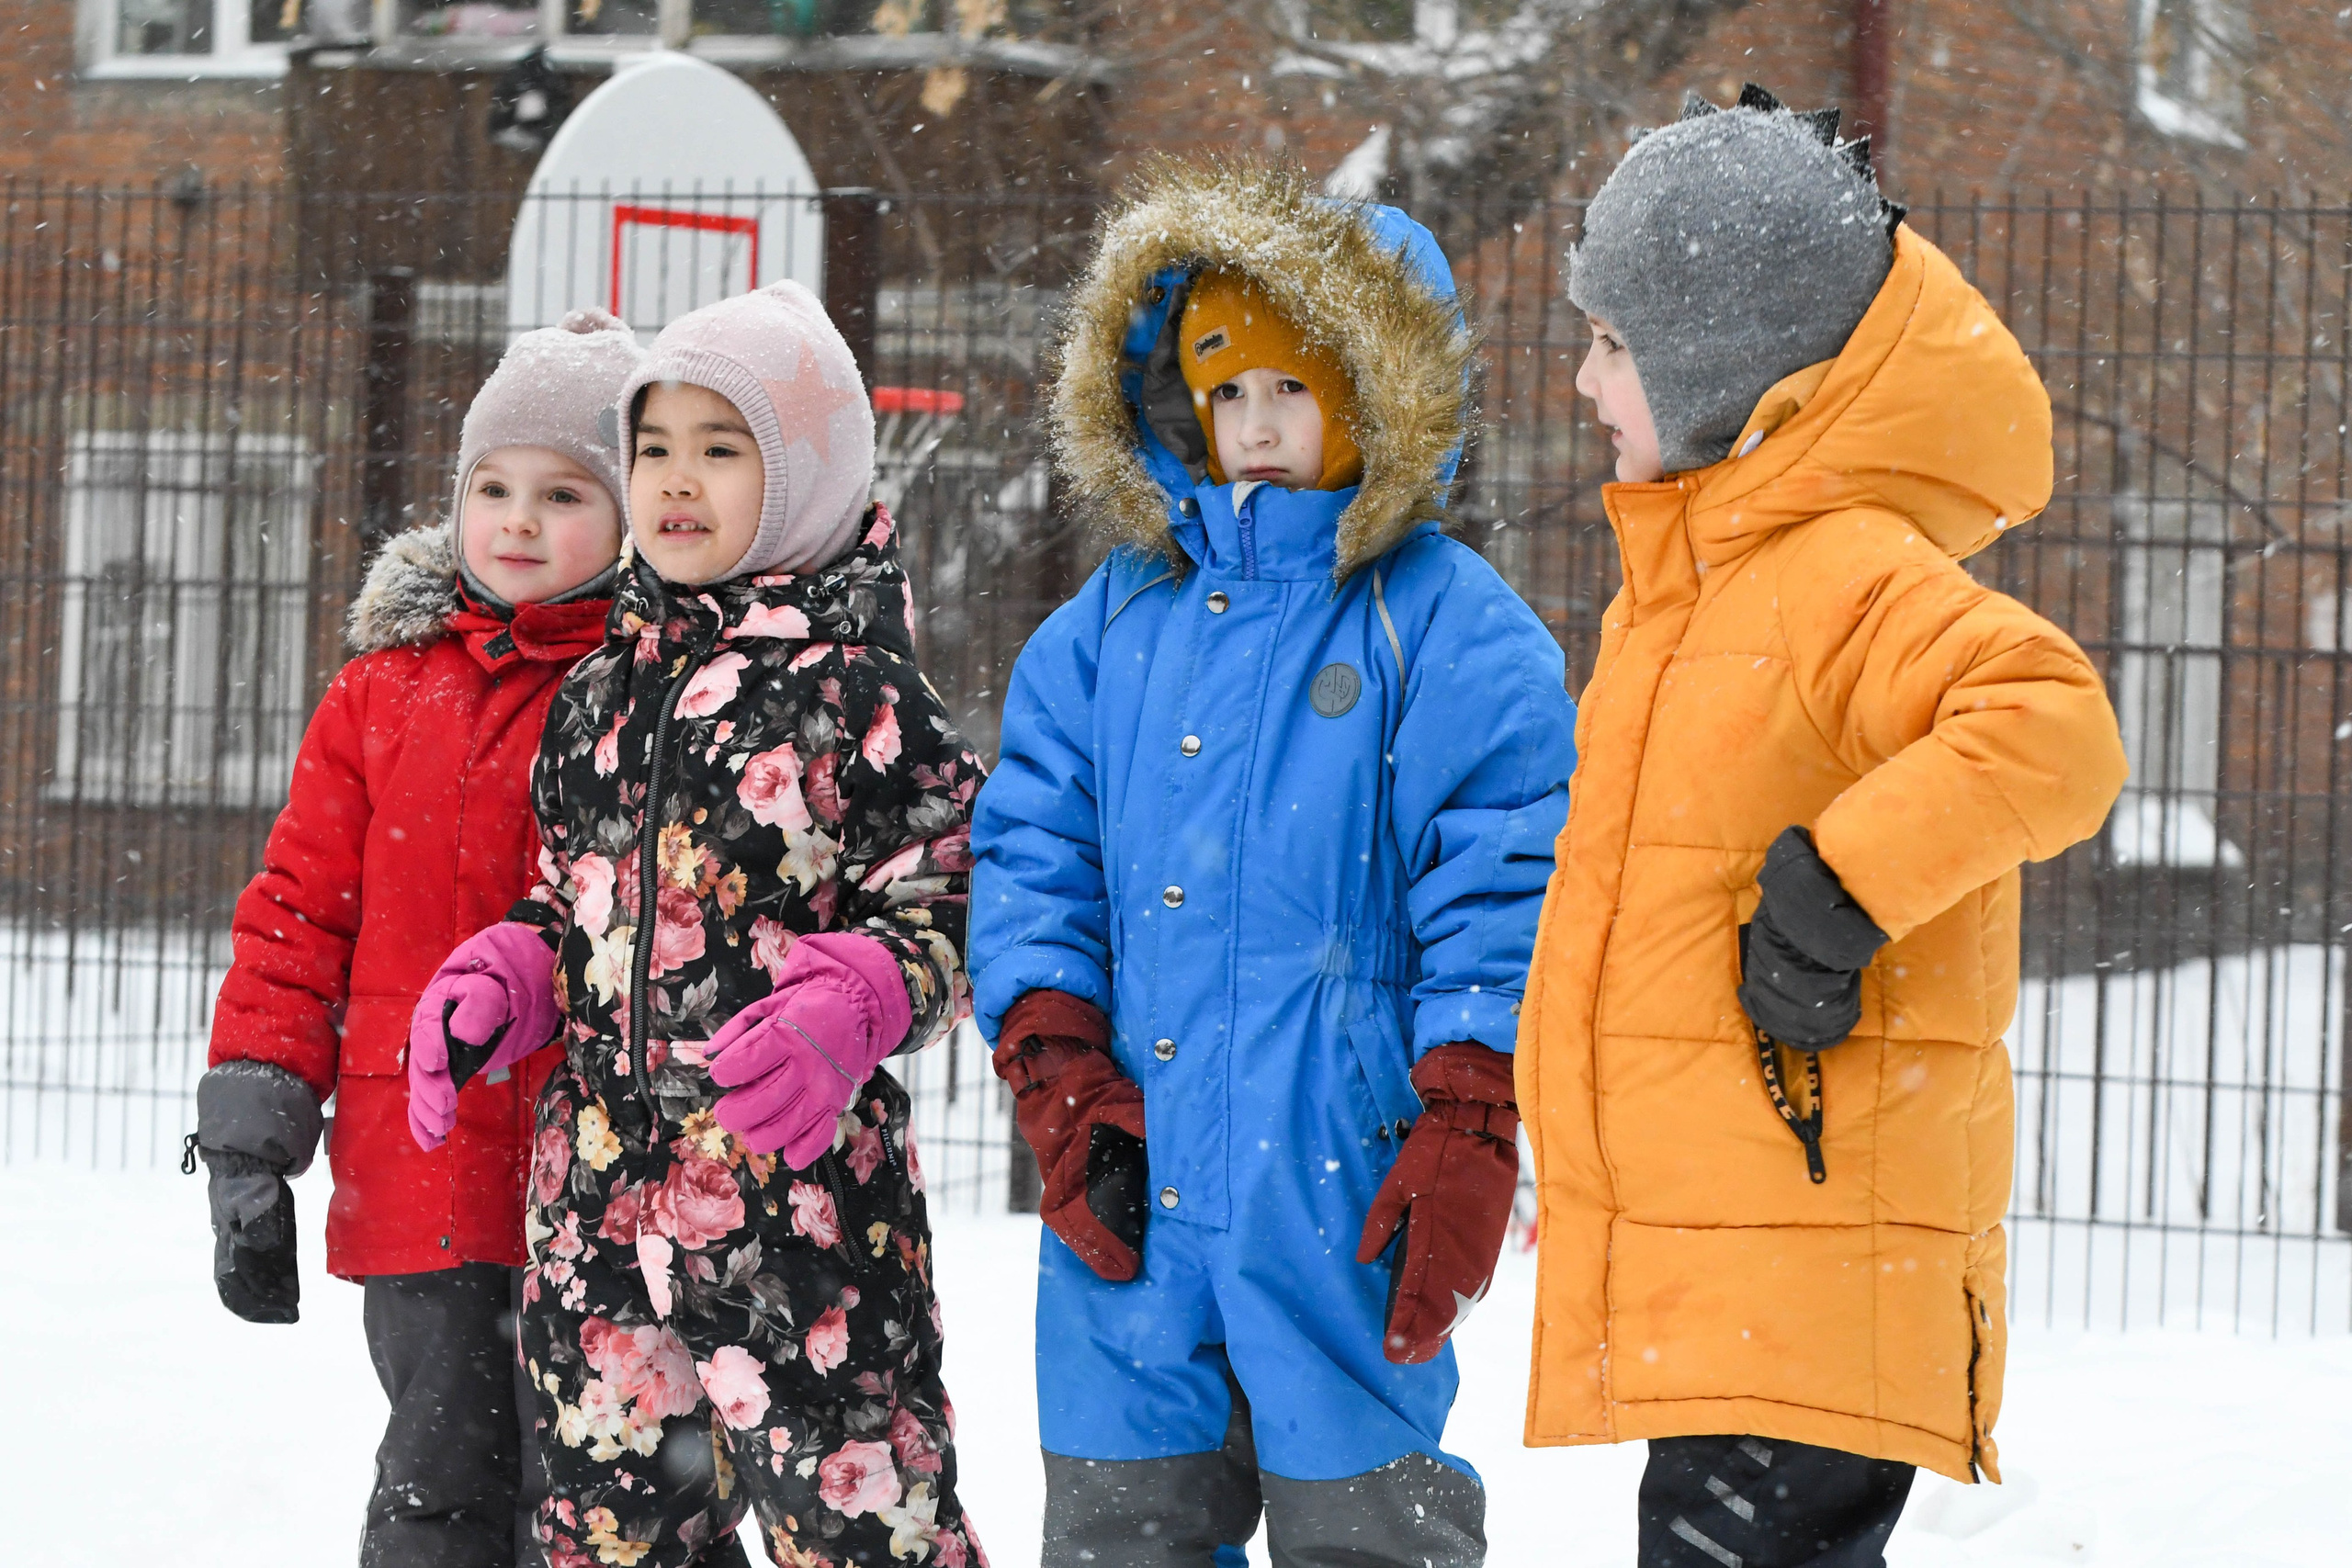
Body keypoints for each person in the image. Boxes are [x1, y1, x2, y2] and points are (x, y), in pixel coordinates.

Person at [1514, 86, 2131, 1568]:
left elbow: (2054, 725)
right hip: (1744, 1258)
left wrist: (1839, 889)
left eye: (1612, 346)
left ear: (1724, 371)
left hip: (1805, 1258)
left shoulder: (1845, 571)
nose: (1586, 384)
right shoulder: (1698, 584)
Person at [968, 158, 1579, 1568]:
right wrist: (1057, 1055)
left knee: (1362, 1520)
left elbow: (1502, 878)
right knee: (1127, 1519)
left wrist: (1473, 1102)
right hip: (1129, 1151)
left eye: (1293, 391)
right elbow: (1034, 837)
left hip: (1340, 1162)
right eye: (1227, 391)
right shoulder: (1114, 622)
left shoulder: (1446, 626)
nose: (1253, 426)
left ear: (1378, 397)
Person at [404, 278, 987, 1568]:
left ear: (805, 478)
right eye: (653, 448)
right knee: (610, 1536)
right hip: (597, 1213)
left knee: (863, 1526)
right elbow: (575, 895)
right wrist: (514, 972)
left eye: (720, 451)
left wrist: (866, 998)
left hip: (803, 1223)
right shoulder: (600, 688)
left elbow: (961, 895)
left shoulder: (862, 695)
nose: (675, 480)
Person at [194, 309, 645, 1566]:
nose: (516, 520)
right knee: (438, 1488)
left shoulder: (653, 693)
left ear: (627, 517)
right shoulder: (382, 694)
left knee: (615, 1497)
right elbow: (298, 914)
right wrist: (251, 1133)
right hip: (425, 1175)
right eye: (491, 487)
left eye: (563, 492)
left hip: (605, 1181)